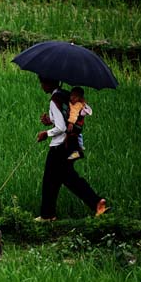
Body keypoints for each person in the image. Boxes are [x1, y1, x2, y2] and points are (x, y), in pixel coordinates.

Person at [35, 76, 108, 221]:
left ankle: (96, 202)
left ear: (48, 83)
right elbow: (67, 119)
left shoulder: (55, 100)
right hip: (72, 145)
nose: (41, 86)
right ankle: (48, 214)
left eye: (42, 83)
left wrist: (46, 133)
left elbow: (61, 128)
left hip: (61, 147)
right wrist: (50, 121)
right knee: (59, 178)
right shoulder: (65, 95)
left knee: (57, 178)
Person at [66, 86, 92, 161]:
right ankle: (78, 151)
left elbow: (74, 114)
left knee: (75, 139)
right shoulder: (76, 103)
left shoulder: (77, 105)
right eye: (71, 95)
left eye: (75, 96)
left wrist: (71, 123)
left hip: (74, 126)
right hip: (77, 128)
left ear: (80, 98)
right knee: (78, 138)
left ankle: (78, 152)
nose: (72, 98)